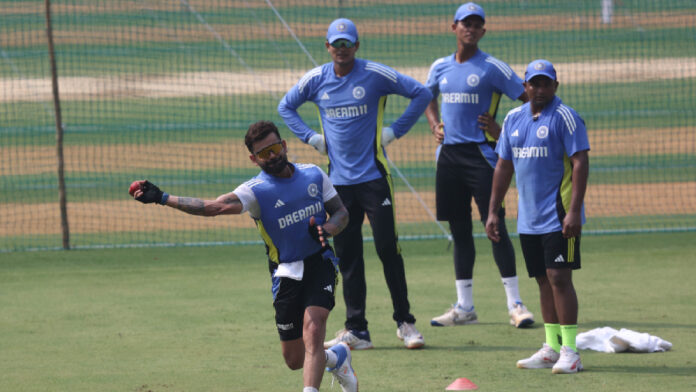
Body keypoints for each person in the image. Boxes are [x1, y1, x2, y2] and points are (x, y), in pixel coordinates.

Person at [128, 121, 358, 391]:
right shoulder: (255, 191)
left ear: (284, 146)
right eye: (263, 153)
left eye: (274, 148)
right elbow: (212, 207)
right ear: (254, 158)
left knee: (314, 329)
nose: (271, 156)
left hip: (320, 262)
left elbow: (341, 212)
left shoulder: (314, 175)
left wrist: (328, 228)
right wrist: (163, 197)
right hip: (285, 272)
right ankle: (337, 357)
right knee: (295, 359)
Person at [278, 18, 432, 350]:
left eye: (348, 44)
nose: (342, 50)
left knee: (388, 250)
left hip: (375, 179)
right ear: (327, 47)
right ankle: (357, 329)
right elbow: (285, 106)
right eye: (337, 44)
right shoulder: (317, 79)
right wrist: (312, 138)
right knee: (347, 256)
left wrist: (394, 131)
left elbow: (421, 93)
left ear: (357, 46)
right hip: (337, 187)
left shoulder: (375, 75)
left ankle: (405, 323)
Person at [424, 2, 534, 328]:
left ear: (483, 31)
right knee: (460, 232)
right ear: (453, 27)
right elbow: (426, 96)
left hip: (482, 156)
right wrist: (433, 123)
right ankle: (464, 306)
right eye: (465, 23)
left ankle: (515, 304)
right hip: (449, 158)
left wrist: (504, 131)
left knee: (495, 226)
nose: (470, 28)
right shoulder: (440, 67)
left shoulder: (493, 68)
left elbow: (528, 99)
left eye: (476, 24)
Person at [485, 59, 590, 374]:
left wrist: (574, 212)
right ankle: (551, 347)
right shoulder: (514, 118)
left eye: (546, 83)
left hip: (559, 216)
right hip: (527, 218)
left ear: (555, 86)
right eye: (534, 83)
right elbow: (504, 165)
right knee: (543, 280)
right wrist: (492, 210)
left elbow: (580, 163)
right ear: (525, 87)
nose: (540, 88)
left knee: (559, 277)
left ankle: (571, 351)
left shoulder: (566, 118)